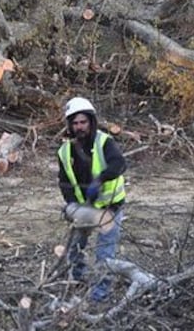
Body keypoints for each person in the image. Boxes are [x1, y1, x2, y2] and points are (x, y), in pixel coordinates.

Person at [57, 97, 127, 302]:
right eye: (75, 123)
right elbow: (64, 182)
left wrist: (101, 178)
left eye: (83, 122)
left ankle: (100, 294)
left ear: (91, 122)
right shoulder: (64, 152)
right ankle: (77, 279)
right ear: (70, 125)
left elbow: (119, 165)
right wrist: (71, 204)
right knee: (75, 247)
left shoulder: (105, 142)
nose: (79, 127)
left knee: (105, 252)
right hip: (84, 208)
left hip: (109, 206)